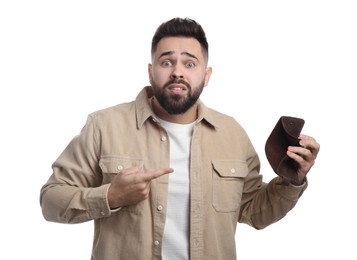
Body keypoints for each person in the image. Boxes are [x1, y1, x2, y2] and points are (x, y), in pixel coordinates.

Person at [40, 17, 320, 260]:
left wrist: (290, 182)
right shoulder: (104, 125)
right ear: (151, 71)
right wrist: (110, 196)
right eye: (166, 61)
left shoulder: (232, 134)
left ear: (206, 75)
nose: (177, 71)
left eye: (190, 62)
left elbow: (253, 212)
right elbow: (51, 200)